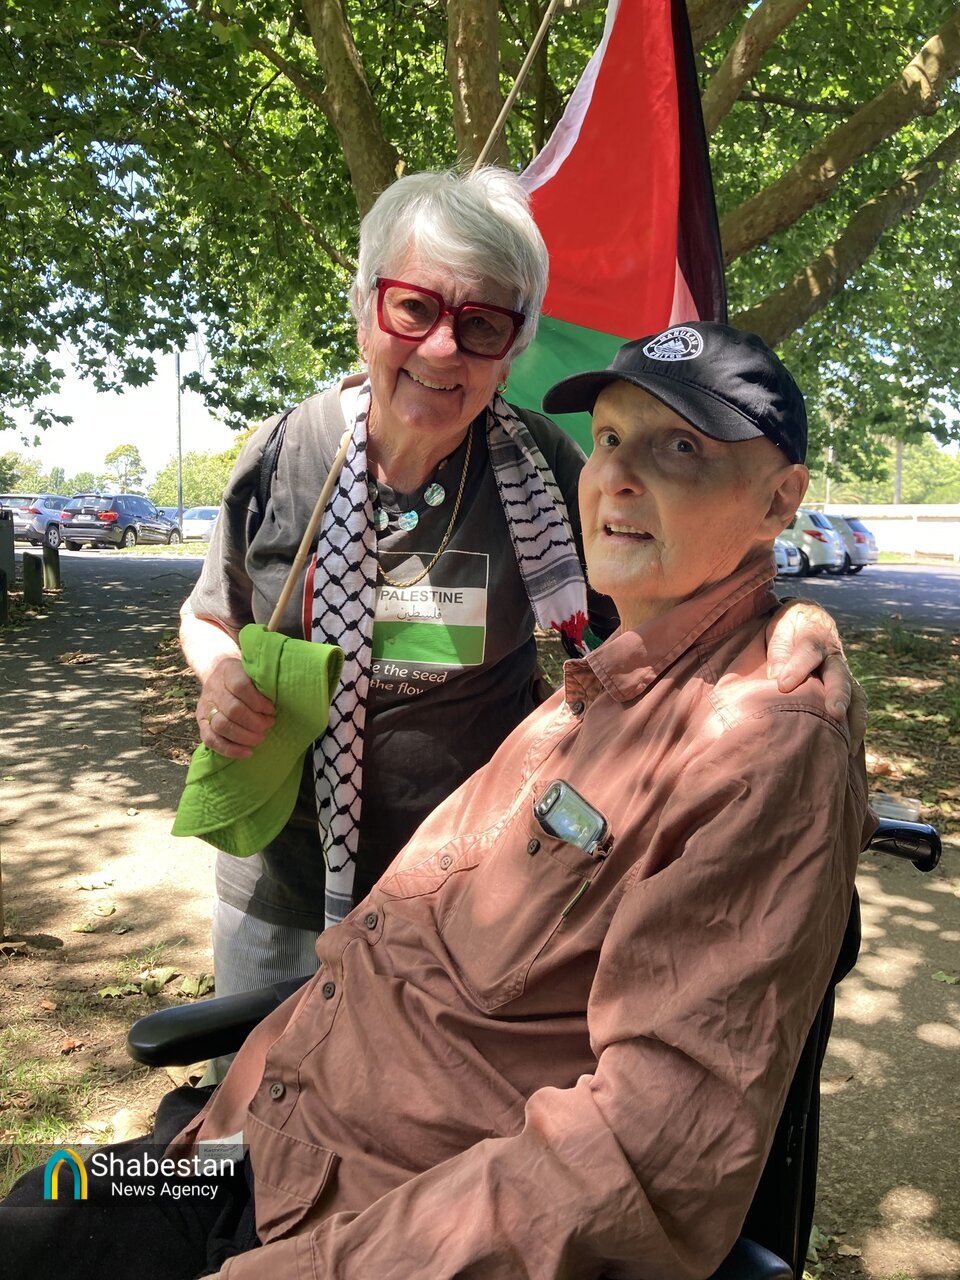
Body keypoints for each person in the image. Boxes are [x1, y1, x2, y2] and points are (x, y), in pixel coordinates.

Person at [2, 322, 872, 1280]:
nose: (619, 477)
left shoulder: (754, 736)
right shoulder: (592, 691)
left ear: (779, 499)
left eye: (682, 449)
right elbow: (211, 612)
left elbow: (646, 1152)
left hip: (335, 1227)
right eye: (612, 439)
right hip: (231, 1144)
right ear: (368, 315)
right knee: (46, 1198)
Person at [181, 167, 851, 999]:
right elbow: (210, 615)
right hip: (278, 873)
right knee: (246, 1078)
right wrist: (221, 674)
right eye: (414, 308)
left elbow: (676, 603)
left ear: (513, 350)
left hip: (464, 892)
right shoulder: (285, 454)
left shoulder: (548, 470)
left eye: (482, 325)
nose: (442, 348)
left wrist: (790, 628)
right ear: (364, 312)